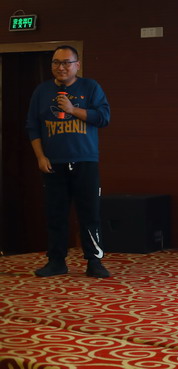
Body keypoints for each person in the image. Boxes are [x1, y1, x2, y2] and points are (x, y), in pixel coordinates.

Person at [25, 45, 111, 278]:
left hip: (85, 160)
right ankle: (56, 261)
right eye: (56, 62)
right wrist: (40, 156)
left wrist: (73, 110)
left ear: (77, 65)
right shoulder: (42, 91)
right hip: (53, 163)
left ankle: (94, 261)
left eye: (66, 62)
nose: (61, 67)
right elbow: (32, 127)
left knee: (89, 213)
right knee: (55, 214)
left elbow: (104, 117)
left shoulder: (90, 87)